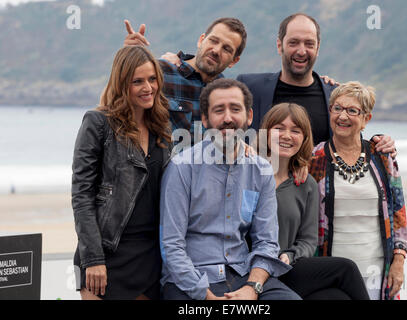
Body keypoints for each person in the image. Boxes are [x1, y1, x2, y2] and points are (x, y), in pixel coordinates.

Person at [159, 78, 300, 300]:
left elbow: (267, 241)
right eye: (218, 110)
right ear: (205, 119)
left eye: (235, 109)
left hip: (243, 274)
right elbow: (172, 245)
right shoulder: (182, 167)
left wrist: (252, 288)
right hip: (192, 279)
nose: (227, 118)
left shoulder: (261, 170)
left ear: (249, 116)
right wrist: (205, 295)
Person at [72, 46, 172, 300]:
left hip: (149, 255)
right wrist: (93, 258)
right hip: (105, 253)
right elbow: (81, 196)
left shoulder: (162, 127)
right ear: (121, 84)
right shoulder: (98, 123)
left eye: (152, 79)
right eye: (137, 81)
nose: (148, 87)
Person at [236, 13, 395, 153]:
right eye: (293, 42)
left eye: (309, 44)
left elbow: (352, 145)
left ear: (318, 48)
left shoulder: (335, 95)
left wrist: (379, 143)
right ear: (280, 45)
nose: (301, 51)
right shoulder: (248, 87)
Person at [309, 81, 407, 300]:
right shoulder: (313, 160)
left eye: (352, 110)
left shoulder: (381, 157)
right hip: (332, 272)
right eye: (337, 108)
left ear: (366, 119)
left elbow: (398, 213)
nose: (342, 116)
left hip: (378, 270)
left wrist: (399, 262)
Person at [259, 102, 369, 300]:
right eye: (279, 128)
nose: (286, 135)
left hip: (287, 267)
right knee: (346, 268)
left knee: (337, 297)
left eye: (295, 130)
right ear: (265, 132)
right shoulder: (248, 174)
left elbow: (309, 240)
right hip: (255, 270)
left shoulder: (305, 183)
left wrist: (290, 255)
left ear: (304, 138)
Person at [124, 17, 247, 146]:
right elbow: (121, 105)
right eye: (213, 41)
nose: (216, 50)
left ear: (234, 61)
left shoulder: (229, 95)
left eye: (226, 49)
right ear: (201, 40)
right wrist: (130, 60)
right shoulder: (161, 72)